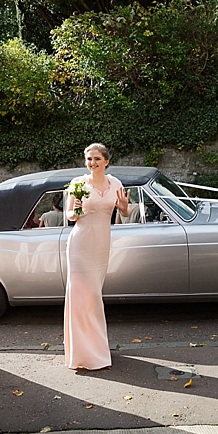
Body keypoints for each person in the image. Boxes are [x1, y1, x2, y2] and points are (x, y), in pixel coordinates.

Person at [64, 143, 130, 370]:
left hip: (101, 244)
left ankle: (95, 346)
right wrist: (78, 210)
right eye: (89, 159)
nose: (92, 163)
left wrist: (123, 208)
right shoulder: (78, 183)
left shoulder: (116, 184)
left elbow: (125, 212)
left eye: (96, 159)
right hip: (80, 244)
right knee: (85, 295)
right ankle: (85, 352)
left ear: (106, 161)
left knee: (94, 295)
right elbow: (70, 215)